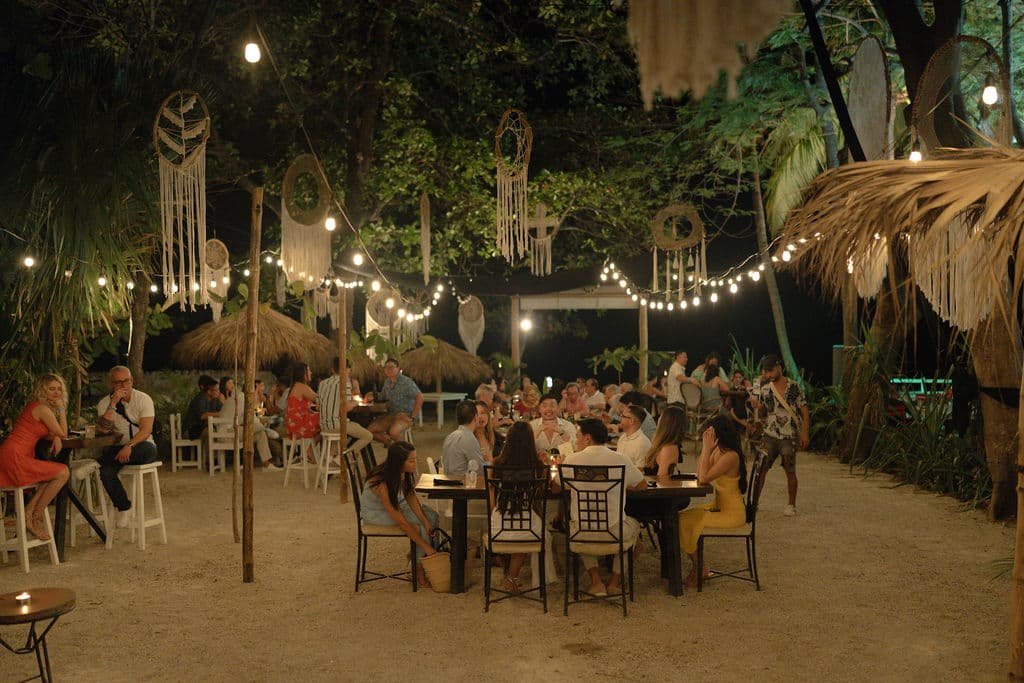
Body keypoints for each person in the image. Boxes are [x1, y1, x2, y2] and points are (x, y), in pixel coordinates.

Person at [561, 419, 647, 596]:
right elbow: (642, 485)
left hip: (582, 532)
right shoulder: (620, 459)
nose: (576, 440)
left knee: (581, 523)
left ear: (587, 438)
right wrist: (621, 484)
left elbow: (556, 486)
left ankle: (596, 581)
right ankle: (614, 582)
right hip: (614, 532)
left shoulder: (572, 459)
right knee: (632, 527)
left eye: (577, 436)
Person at [678, 415, 748, 588]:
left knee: (686, 521)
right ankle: (698, 566)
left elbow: (703, 477)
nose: (707, 436)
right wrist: (706, 449)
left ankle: (699, 567)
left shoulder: (730, 456)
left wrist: (707, 448)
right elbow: (699, 472)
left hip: (731, 513)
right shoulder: (719, 451)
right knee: (681, 517)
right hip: (720, 507)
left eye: (710, 433)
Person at [0, 374, 71, 540]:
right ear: (42, 390)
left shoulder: (39, 407)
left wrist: (54, 436)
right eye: (51, 388)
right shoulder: (43, 409)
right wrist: (61, 410)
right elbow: (64, 433)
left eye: (59, 389)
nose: (56, 392)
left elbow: (44, 431)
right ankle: (36, 515)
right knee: (63, 472)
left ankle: (29, 512)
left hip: (12, 453)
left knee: (51, 476)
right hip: (15, 456)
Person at [359, 441, 439, 588]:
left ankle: (418, 556)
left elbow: (410, 495)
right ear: (399, 462)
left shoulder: (401, 473)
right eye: (411, 460)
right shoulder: (382, 482)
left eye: (415, 459)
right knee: (417, 526)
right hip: (376, 513)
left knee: (432, 516)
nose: (415, 463)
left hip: (398, 503)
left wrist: (426, 520)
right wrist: (425, 545)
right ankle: (418, 568)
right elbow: (402, 522)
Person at [96, 366, 158, 528]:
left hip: (142, 446)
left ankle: (94, 463)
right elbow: (103, 430)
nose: (123, 385)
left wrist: (130, 445)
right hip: (119, 449)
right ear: (111, 383)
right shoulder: (104, 403)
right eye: (118, 382)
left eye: (126, 381)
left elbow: (146, 430)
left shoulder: (143, 399)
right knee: (105, 471)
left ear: (132, 381)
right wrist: (113, 403)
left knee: (144, 449)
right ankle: (124, 507)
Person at [488, 421, 546, 593]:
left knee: (517, 524)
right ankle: (511, 578)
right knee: (526, 525)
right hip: (527, 527)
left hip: (500, 524)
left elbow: (491, 498)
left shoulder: (497, 464)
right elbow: (539, 496)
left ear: (508, 440)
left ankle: (510, 576)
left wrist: (496, 515)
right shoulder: (538, 466)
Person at [752, 355, 809, 516]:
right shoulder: (764, 389)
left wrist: (805, 433)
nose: (769, 375)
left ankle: (791, 504)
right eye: (766, 372)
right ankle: (754, 503)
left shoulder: (794, 387)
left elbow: (805, 411)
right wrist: (757, 407)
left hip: (788, 436)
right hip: (769, 434)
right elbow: (764, 412)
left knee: (790, 470)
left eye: (770, 370)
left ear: (779, 367)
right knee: (761, 469)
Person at [218, 377, 282, 470]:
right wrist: (259, 423)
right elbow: (245, 419)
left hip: (230, 431)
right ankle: (266, 429)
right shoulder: (240, 399)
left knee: (260, 433)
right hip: (228, 433)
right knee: (257, 428)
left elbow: (242, 419)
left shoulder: (236, 398)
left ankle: (266, 464)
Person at [318, 357, 374, 456]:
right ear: (346, 369)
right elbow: (346, 407)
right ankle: (347, 458)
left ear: (332, 369)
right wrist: (356, 402)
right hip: (338, 425)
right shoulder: (344, 382)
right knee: (367, 436)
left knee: (338, 441)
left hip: (323, 425)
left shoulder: (322, 383)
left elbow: (318, 405)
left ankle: (332, 461)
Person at [366, 358, 423, 446]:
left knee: (394, 432)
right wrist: (373, 395)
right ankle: (390, 444)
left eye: (392, 367)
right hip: (391, 414)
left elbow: (420, 397)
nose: (389, 370)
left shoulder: (406, 382)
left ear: (398, 369)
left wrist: (412, 417)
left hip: (405, 415)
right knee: (369, 431)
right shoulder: (387, 382)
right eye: (386, 367)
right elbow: (383, 396)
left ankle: (406, 453)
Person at [442, 400, 487, 474]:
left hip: (448, 481)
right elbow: (480, 470)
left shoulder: (450, 436)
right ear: (476, 417)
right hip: (461, 483)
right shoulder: (469, 438)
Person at [642, 405, 688, 476]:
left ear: (665, 422)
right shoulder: (662, 444)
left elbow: (662, 480)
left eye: (661, 416)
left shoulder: (668, 448)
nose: (659, 418)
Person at [284, 362, 320, 441]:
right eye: (308, 370)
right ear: (303, 373)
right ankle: (312, 450)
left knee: (326, 423)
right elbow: (320, 399)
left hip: (293, 425)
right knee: (328, 421)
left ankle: (312, 450)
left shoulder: (295, 386)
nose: (311, 372)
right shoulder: (301, 386)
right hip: (300, 425)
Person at [184, 375, 222, 440]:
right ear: (209, 391)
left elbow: (223, 409)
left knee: (217, 431)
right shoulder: (200, 399)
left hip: (202, 429)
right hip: (191, 430)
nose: (218, 392)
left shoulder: (215, 400)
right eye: (216, 390)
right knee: (209, 432)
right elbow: (202, 416)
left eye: (218, 390)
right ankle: (207, 450)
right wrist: (220, 414)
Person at [615, 404, 652, 470]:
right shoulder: (623, 437)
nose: (620, 418)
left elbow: (640, 470)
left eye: (623, 416)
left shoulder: (642, 443)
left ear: (632, 421)